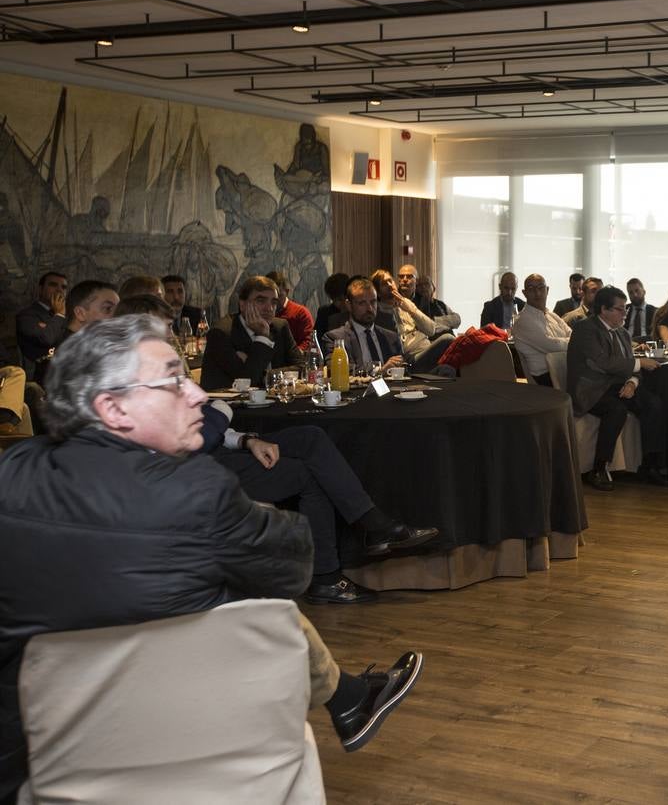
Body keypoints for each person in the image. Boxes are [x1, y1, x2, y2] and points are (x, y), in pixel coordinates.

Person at [0, 316, 424, 799]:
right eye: (174, 381)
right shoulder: (193, 492)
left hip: (37, 763)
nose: (198, 394)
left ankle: (350, 699)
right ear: (113, 408)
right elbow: (293, 565)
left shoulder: (11, 474)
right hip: (190, 744)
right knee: (247, 600)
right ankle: (349, 700)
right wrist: (243, 519)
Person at [116, 294, 438, 604]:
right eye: (166, 327)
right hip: (196, 467)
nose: (173, 335)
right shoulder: (138, 378)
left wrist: (245, 439)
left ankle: (369, 530)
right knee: (308, 473)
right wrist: (219, 414)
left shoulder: (162, 366)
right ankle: (338, 566)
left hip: (215, 447)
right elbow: (198, 428)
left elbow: (204, 418)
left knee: (311, 438)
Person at [565, 285, 667, 491]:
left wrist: (632, 382)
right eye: (620, 309)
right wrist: (639, 364)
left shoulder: (622, 333)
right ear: (604, 310)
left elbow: (629, 365)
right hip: (590, 389)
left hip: (617, 385)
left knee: (653, 404)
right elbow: (604, 362)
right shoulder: (586, 329)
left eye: (625, 308)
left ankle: (650, 466)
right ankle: (598, 468)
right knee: (616, 409)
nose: (625, 313)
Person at [200, 276, 303, 391]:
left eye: (274, 302)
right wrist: (263, 337)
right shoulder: (221, 333)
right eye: (261, 301)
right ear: (242, 305)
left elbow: (301, 368)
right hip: (231, 406)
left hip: (274, 403)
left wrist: (266, 375)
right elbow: (247, 381)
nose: (269, 308)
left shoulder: (280, 327)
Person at [323, 278, 406, 375]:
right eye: (362, 303)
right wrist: (380, 371)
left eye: (373, 302)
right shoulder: (335, 338)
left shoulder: (392, 338)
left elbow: (405, 371)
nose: (369, 308)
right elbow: (337, 370)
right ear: (349, 305)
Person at [371, 268, 450, 363]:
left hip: (427, 349)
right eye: (384, 284)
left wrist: (410, 309)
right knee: (448, 338)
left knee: (448, 369)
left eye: (390, 281)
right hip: (411, 358)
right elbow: (398, 346)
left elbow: (431, 330)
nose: (389, 285)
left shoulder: (405, 303)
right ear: (378, 292)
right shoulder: (378, 312)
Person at [512, 273, 571, 386]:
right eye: (531, 289)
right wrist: (571, 341)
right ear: (524, 293)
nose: (537, 293)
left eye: (541, 288)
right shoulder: (523, 320)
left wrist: (569, 340)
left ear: (547, 290)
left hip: (563, 368)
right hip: (544, 377)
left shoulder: (552, 315)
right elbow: (553, 346)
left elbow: (572, 334)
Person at [14, 271, 67, 373]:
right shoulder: (26, 316)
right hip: (42, 374)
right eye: (53, 285)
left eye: (63, 287)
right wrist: (59, 314)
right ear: (41, 289)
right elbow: (47, 338)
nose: (59, 290)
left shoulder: (68, 315)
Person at [397, 264, 460, 333]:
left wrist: (433, 321)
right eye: (420, 285)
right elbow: (423, 327)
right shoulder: (419, 301)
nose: (424, 287)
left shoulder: (440, 304)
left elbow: (457, 319)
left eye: (427, 284)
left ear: (433, 287)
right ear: (416, 287)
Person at [265, 270, 316, 351]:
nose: (275, 301)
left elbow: (308, 341)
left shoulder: (301, 313)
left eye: (279, 296)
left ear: (287, 291)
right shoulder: (262, 312)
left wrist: (292, 356)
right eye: (267, 298)